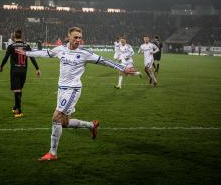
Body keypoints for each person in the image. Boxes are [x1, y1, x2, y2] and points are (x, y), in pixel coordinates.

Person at [16, 27, 136, 161]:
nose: (78, 40)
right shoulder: (61, 49)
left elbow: (104, 61)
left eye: (80, 37)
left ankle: (52, 153)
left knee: (56, 118)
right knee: (65, 123)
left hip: (73, 89)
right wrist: (26, 53)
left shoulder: (84, 53)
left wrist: (122, 68)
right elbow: (45, 53)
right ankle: (91, 125)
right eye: (75, 37)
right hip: (61, 89)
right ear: (68, 36)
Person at [0, 29, 41, 118]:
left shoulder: (11, 46)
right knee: (19, 89)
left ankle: (19, 111)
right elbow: (32, 57)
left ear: (14, 36)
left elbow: (6, 57)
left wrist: (1, 66)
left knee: (17, 90)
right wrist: (37, 68)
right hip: (23, 71)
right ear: (22, 36)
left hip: (15, 71)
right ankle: (15, 106)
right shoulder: (26, 45)